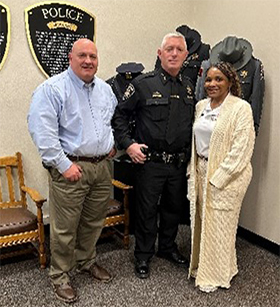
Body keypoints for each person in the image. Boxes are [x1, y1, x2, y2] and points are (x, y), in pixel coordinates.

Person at [28, 38, 118, 303]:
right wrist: (64, 165)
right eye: (82, 55)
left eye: (93, 56)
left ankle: (86, 260)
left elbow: (111, 121)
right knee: (65, 228)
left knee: (93, 222)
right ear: (70, 58)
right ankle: (60, 275)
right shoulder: (52, 89)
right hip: (70, 168)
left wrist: (112, 146)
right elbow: (42, 132)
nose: (88, 60)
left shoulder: (105, 90)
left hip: (102, 168)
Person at [112, 32, 195, 279]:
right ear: (160, 54)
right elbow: (119, 117)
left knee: (173, 209)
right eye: (168, 49)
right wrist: (128, 145)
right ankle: (144, 255)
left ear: (186, 55)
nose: (173, 53)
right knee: (147, 211)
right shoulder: (142, 84)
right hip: (151, 162)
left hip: (178, 162)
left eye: (179, 50)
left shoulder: (189, 87)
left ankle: (167, 248)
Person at [188, 62, 255, 293]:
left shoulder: (240, 108)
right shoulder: (201, 106)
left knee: (221, 225)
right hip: (201, 171)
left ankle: (218, 274)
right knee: (203, 222)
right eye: (208, 80)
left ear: (230, 82)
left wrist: (219, 178)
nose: (212, 84)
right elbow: (196, 143)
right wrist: (193, 170)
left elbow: (242, 149)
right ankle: (203, 267)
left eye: (218, 79)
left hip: (228, 176)